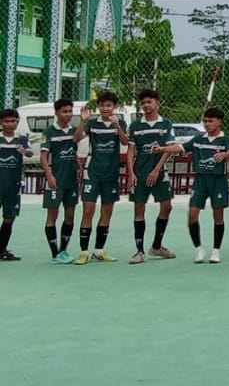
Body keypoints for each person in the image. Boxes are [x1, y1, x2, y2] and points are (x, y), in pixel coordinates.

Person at [126, 88, 183, 263]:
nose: (146, 105)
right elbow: (130, 150)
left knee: (167, 207)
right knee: (139, 209)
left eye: (149, 102)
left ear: (157, 103)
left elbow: (169, 148)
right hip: (140, 173)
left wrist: (157, 169)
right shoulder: (135, 126)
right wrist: (131, 173)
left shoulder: (166, 124)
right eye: (143, 103)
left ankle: (156, 246)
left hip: (159, 172)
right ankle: (139, 251)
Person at [72, 91, 129, 264]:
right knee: (88, 211)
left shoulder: (120, 122)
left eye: (108, 105)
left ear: (114, 107)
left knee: (107, 212)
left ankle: (99, 250)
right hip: (93, 173)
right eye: (102, 105)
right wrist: (82, 121)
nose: (105, 108)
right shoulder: (91, 123)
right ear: (98, 106)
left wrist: (118, 127)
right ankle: (83, 252)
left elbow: (125, 142)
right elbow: (76, 138)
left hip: (111, 174)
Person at [186, 107, 229, 263]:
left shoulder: (225, 139)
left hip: (218, 181)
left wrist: (224, 154)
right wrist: (162, 148)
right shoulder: (198, 139)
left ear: (219, 122)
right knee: (192, 214)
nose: (207, 124)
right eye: (205, 121)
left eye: (210, 121)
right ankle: (198, 249)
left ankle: (216, 251)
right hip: (200, 180)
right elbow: (180, 147)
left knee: (218, 215)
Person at [40, 98, 79, 263]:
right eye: (64, 111)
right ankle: (54, 253)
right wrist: (49, 175)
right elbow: (43, 157)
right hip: (56, 180)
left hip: (71, 180)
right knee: (52, 215)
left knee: (70, 215)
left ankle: (64, 250)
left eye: (70, 111)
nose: (68, 114)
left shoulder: (73, 130)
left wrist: (79, 167)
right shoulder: (49, 132)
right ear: (56, 112)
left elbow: (73, 151)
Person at [0, 108, 32, 260]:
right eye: (7, 121)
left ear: (17, 122)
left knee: (9, 217)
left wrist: (25, 151)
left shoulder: (21, 139)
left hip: (13, 186)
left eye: (13, 121)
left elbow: (30, 153)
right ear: (1, 122)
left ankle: (1, 250)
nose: (10, 124)